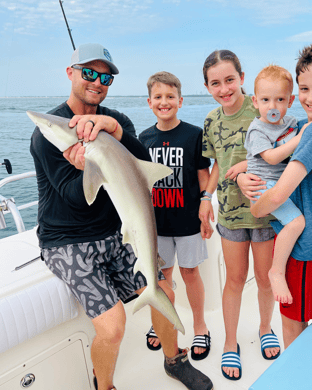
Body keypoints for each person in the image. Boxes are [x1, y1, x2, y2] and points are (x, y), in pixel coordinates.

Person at [30, 43, 213, 390]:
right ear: (71, 73)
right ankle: (105, 386)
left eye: (105, 76)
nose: (97, 81)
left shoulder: (118, 121)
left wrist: (113, 129)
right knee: (113, 328)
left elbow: (142, 163)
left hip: (115, 233)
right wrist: (88, 167)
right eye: (88, 72)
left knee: (165, 295)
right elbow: (74, 198)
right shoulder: (46, 135)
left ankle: (174, 361)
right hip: (68, 241)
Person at [237, 41, 312, 349]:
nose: (311, 98)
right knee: (296, 320)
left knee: (292, 328)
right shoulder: (307, 124)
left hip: (305, 245)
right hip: (304, 240)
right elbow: (264, 155)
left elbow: (276, 196)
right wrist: (244, 177)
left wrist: (257, 209)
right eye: (304, 89)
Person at [199, 50, 281, 381]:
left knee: (264, 279)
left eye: (230, 80)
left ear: (242, 78)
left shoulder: (263, 108)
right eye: (215, 83)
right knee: (234, 279)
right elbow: (217, 162)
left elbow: (281, 154)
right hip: (230, 217)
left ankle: (265, 328)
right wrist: (206, 197)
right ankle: (230, 342)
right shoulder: (211, 120)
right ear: (207, 87)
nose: (224, 89)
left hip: (265, 214)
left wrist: (250, 166)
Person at [139, 71, 212, 360]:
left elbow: (203, 175)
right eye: (158, 97)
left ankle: (200, 326)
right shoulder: (143, 139)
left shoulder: (194, 135)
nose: (164, 102)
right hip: (156, 225)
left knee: (191, 273)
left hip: (188, 223)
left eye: (170, 97)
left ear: (180, 101)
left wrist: (206, 209)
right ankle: (162, 323)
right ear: (149, 102)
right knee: (163, 274)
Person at [245, 65, 306, 305]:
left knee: (294, 224)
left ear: (291, 100)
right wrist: (301, 138)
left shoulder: (291, 122)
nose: (273, 106)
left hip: (280, 184)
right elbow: (271, 158)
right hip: (262, 185)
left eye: (280, 99)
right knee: (296, 222)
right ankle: (276, 271)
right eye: (266, 100)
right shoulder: (257, 129)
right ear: (255, 101)